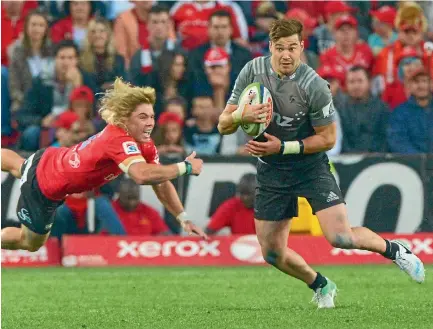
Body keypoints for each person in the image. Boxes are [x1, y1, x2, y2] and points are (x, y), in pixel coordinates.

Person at [217, 19, 425, 309]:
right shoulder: (252, 71)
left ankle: (395, 250)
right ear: (270, 48)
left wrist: (284, 146)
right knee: (272, 254)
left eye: (292, 47)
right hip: (272, 170)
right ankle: (321, 284)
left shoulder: (314, 85)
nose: (286, 54)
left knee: (341, 237)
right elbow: (223, 124)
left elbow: (328, 138)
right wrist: (241, 116)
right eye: (280, 48)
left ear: (302, 47)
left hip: (310, 166)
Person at [1, 77, 207, 253]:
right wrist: (185, 167)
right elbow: (141, 175)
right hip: (44, 186)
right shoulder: (119, 139)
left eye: (152, 116)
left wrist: (183, 217)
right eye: (143, 117)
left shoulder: (144, 143)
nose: (150, 123)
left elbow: (160, 182)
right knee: (30, 242)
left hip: (50, 159)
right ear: (126, 119)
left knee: (19, 165)